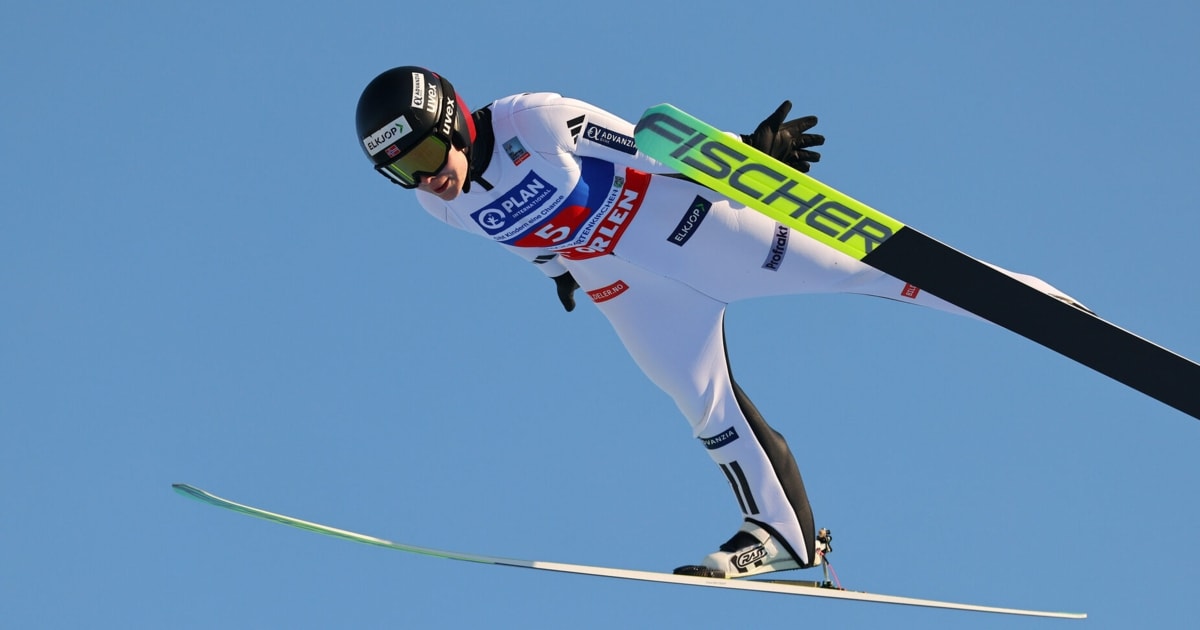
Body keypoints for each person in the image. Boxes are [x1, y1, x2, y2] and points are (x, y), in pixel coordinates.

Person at [354, 66, 1073, 578]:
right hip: (627, 288)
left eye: (420, 153)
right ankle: (783, 534)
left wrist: (748, 151)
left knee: (879, 269)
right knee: (700, 404)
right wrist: (560, 275)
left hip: (698, 230)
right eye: (400, 173)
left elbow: (650, 146)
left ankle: (1038, 305)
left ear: (450, 118)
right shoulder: (439, 205)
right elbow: (527, 237)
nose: (423, 177)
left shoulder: (533, 121)